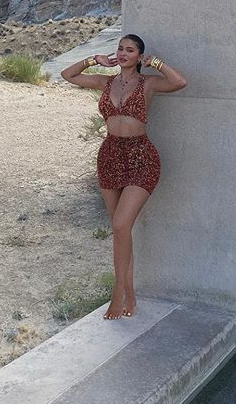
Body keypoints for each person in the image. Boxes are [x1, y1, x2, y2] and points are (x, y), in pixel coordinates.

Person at [61, 34, 187, 320]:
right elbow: (68, 75)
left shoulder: (148, 83)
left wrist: (155, 63)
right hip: (110, 156)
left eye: (129, 50)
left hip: (141, 157)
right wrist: (94, 60)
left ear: (139, 56)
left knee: (120, 224)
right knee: (120, 231)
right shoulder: (105, 82)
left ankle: (117, 293)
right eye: (120, 48)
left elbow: (179, 82)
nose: (122, 53)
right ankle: (130, 294)